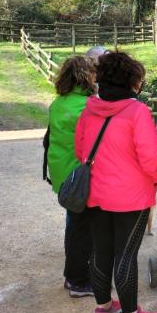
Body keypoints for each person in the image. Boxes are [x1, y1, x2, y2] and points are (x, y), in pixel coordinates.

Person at [75, 51, 157, 313]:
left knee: (101, 251)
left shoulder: (89, 109)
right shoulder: (136, 111)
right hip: (131, 196)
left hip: (95, 193)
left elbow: (81, 151)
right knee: (126, 254)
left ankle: (103, 307)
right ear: (131, 80)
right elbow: (150, 157)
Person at [46, 56, 96, 298]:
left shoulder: (58, 103)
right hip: (79, 175)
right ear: (85, 76)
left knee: (75, 224)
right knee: (80, 229)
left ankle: (77, 274)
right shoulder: (86, 107)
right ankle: (76, 279)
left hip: (62, 173)